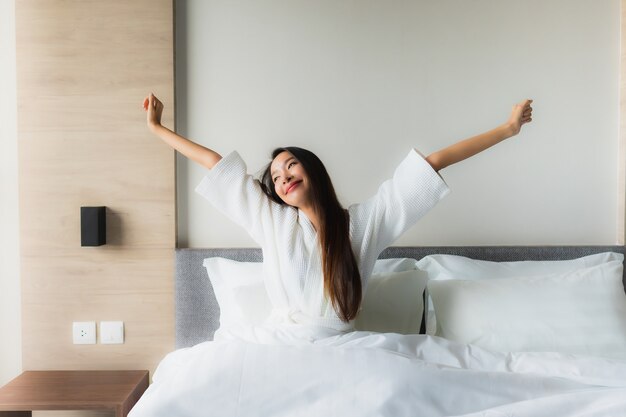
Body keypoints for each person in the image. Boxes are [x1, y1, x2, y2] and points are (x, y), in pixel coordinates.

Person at [143, 93, 533, 335]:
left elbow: (431, 164)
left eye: (290, 166)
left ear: (312, 169)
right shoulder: (271, 221)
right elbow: (215, 163)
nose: (283, 178)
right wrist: (158, 129)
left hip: (345, 348)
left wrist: (508, 128)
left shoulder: (362, 225)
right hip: (282, 347)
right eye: (276, 177)